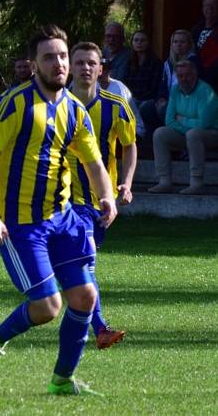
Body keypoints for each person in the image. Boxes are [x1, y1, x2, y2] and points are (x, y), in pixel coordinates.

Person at [0, 24, 117, 396]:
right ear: (34, 64)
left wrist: (107, 196)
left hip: (63, 218)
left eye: (63, 56)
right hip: (20, 224)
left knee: (85, 297)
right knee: (48, 306)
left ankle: (61, 380)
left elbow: (94, 162)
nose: (59, 63)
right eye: (49, 57)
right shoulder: (14, 104)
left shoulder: (75, 110)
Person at [67, 41, 137, 350]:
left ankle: (80, 317)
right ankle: (99, 328)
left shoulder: (116, 105)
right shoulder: (56, 103)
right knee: (86, 263)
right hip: (64, 199)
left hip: (101, 200)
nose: (85, 68)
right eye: (79, 62)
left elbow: (130, 144)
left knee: (81, 266)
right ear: (69, 67)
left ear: (101, 69)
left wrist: (128, 182)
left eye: (90, 63)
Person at [149, 60, 218, 195]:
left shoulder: (205, 91)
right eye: (180, 76)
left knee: (194, 134)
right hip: (190, 135)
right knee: (160, 133)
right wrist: (188, 126)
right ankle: (164, 181)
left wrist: (183, 120)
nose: (184, 79)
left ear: (195, 75)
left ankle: (196, 182)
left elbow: (204, 124)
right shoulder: (175, 89)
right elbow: (169, 120)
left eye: (187, 75)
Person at [142, 29, 201, 136]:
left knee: (165, 109)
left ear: (189, 44)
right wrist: (160, 98)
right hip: (169, 100)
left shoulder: (193, 62)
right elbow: (163, 85)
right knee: (146, 107)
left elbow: (190, 88)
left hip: (187, 103)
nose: (179, 45)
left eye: (182, 42)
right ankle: (152, 141)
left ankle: (175, 138)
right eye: (175, 42)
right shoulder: (168, 63)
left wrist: (169, 102)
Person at [99, 57, 146, 140]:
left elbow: (122, 118)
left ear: (110, 71)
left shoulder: (118, 88)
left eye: (105, 69)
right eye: (99, 69)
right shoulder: (92, 86)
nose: (102, 72)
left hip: (133, 130)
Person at [124, 30, 163, 106]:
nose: (139, 43)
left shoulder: (155, 62)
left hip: (149, 100)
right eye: (136, 40)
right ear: (132, 43)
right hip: (131, 98)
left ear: (148, 43)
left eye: (143, 40)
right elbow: (126, 82)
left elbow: (154, 87)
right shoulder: (129, 62)